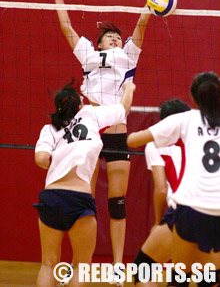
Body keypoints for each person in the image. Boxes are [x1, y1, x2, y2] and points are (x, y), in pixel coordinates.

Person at [44, 0, 160, 274]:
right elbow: (66, 25)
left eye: (118, 36)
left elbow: (142, 24)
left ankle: (119, 265)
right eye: (110, 36)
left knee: (117, 202)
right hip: (91, 130)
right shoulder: (88, 56)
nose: (116, 37)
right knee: (84, 198)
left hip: (117, 131)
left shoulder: (127, 56)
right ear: (99, 44)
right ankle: (78, 261)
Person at [33, 79, 136, 287]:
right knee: (82, 265)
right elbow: (123, 108)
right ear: (79, 105)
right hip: (78, 199)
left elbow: (41, 159)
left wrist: (59, 162)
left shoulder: (50, 128)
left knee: (49, 263)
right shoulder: (90, 114)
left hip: (51, 197)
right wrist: (129, 88)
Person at [128, 72, 220, 287]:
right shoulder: (186, 119)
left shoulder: (185, 120)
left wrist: (168, 130)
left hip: (189, 210)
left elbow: (132, 140)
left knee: (171, 277)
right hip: (215, 214)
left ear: (194, 100)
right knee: (208, 281)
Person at [132, 99, 191, 287]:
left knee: (142, 272)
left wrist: (158, 222)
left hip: (183, 212)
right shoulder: (203, 139)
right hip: (213, 213)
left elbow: (161, 189)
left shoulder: (155, 144)